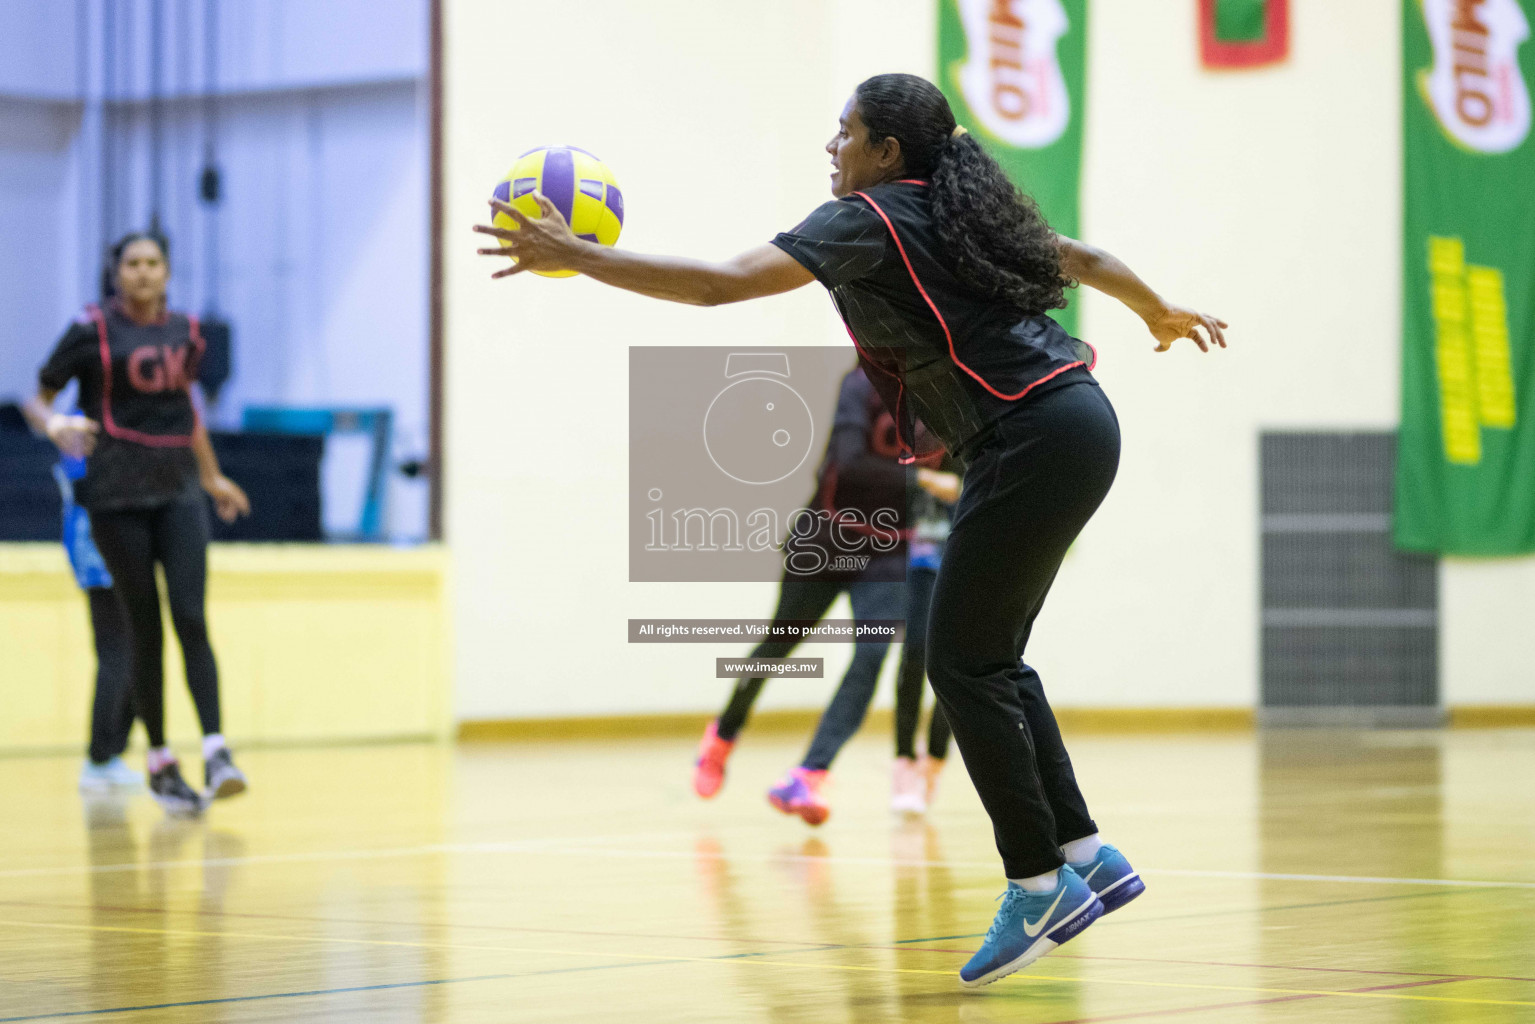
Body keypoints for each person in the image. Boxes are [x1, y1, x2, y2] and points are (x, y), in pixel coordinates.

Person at [475, 73, 1226, 986]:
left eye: (846, 132)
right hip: (1073, 424)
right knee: (992, 656)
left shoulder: (864, 219)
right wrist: (1157, 310)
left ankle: (1037, 883)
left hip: (1031, 435)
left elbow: (718, 287)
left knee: (959, 663)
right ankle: (1082, 853)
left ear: (886, 152)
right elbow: (1090, 258)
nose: (832, 147)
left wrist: (585, 258)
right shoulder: (960, 211)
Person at [29, 232, 253, 817]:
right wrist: (56, 425)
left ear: (168, 272)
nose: (144, 273)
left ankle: (217, 749)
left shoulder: (187, 332)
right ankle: (158, 758)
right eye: (133, 263)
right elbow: (40, 395)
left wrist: (212, 477)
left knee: (190, 615)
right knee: (141, 629)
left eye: (154, 263)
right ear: (117, 272)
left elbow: (189, 410)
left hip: (177, 487)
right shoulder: (91, 330)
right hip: (116, 493)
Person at [694, 364, 942, 826]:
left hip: (889, 551)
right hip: (826, 540)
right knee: (778, 645)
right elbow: (849, 465)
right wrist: (923, 481)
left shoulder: (942, 394)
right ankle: (723, 735)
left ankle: (809, 773)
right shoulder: (860, 385)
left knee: (869, 658)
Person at [889, 457, 958, 815]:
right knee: (914, 654)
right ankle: (903, 762)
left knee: (954, 664)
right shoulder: (905, 442)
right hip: (917, 566)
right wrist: (924, 478)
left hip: (961, 563)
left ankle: (934, 758)